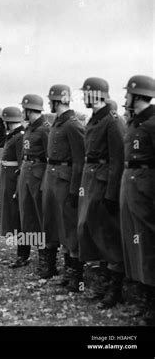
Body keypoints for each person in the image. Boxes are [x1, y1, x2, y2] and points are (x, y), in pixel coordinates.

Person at [78, 77, 125, 309]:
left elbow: (119, 159)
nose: (82, 97)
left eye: (86, 93)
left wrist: (112, 193)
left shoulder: (112, 121)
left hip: (104, 181)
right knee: (92, 230)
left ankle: (114, 290)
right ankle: (101, 282)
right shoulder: (94, 120)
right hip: (91, 179)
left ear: (96, 94)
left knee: (108, 235)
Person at [41, 85, 85, 289]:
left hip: (66, 182)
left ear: (56, 101)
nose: (49, 103)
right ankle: (67, 272)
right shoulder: (58, 124)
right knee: (56, 225)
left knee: (69, 228)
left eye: (51, 100)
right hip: (52, 179)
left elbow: (79, 161)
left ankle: (75, 275)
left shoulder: (72, 126)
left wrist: (75, 189)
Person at [120, 75, 155, 325]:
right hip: (131, 184)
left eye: (127, 94)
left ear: (137, 95)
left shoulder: (152, 123)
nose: (125, 98)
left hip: (146, 188)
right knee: (136, 241)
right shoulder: (134, 122)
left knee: (149, 244)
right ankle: (142, 301)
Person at [16, 94, 50, 277]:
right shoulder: (29, 129)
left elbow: (50, 158)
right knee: (26, 216)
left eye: (24, 109)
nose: (22, 112)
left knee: (40, 217)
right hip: (26, 174)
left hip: (38, 176)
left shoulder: (45, 130)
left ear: (31, 110)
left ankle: (45, 258)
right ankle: (24, 255)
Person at [0, 107, 27, 268]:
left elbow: (22, 164)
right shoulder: (13, 135)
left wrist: (18, 188)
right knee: (12, 215)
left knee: (18, 217)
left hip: (14, 180)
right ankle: (20, 253)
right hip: (7, 179)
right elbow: (1, 143)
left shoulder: (20, 137)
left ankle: (23, 255)